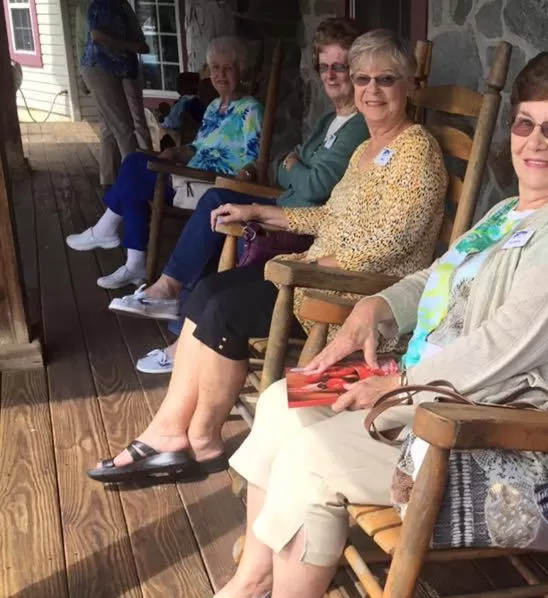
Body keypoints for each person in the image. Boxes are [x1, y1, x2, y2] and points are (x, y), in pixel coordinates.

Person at [163, 48, 548, 598]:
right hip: (439, 399)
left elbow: (508, 346)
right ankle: (251, 585)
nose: (534, 142)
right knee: (283, 400)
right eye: (525, 124)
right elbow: (436, 277)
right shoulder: (508, 213)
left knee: (315, 453)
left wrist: (395, 388)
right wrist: (372, 310)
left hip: (510, 448)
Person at [87, 29, 447, 486]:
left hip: (350, 297)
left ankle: (197, 439)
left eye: (386, 80)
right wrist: (262, 212)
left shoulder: (418, 153)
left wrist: (316, 266)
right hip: (317, 273)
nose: (371, 91)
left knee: (224, 307)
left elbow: (390, 244)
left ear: (409, 85)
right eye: (363, 79)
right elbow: (330, 216)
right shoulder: (364, 149)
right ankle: (174, 431)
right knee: (209, 291)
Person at [107, 18, 371, 375]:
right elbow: (280, 162)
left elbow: (317, 185)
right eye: (324, 67)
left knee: (220, 209)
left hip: (304, 225)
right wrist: (293, 167)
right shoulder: (330, 121)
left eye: (340, 67)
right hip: (285, 207)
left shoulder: (359, 126)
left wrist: (292, 168)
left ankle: (176, 317)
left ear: (356, 69)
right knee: (219, 208)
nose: (331, 75)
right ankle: (174, 308)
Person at [67, 36, 264, 291]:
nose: (221, 74)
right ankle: (129, 256)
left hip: (209, 186)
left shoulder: (251, 109)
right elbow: (198, 147)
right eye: (215, 68)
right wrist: (175, 152)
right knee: (134, 172)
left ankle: (117, 243)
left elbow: (252, 160)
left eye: (228, 68)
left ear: (241, 71)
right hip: (189, 175)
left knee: (135, 168)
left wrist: (237, 181)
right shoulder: (215, 106)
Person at [78, 0, 151, 187]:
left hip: (116, 69)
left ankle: (109, 181)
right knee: (123, 126)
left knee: (110, 127)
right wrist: (129, 45)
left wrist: (133, 45)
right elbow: (95, 35)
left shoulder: (120, 5)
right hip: (100, 67)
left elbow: (139, 42)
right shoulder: (102, 4)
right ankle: (135, 183)